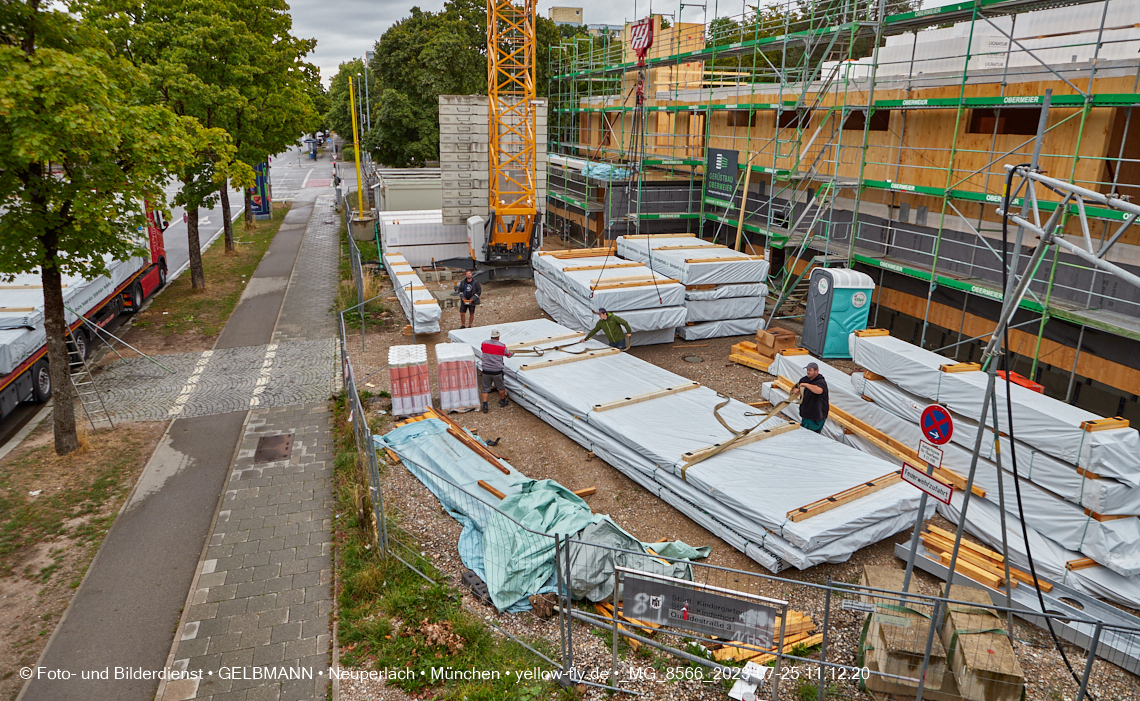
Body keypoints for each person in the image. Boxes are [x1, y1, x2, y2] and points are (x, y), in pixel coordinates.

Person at [479, 329, 512, 413]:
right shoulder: (502, 346)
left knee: (485, 388)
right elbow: (508, 355)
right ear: (498, 337)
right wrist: (512, 353)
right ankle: (503, 401)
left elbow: (483, 350)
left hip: (486, 370)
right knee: (501, 387)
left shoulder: (484, 343)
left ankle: (485, 405)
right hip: (497, 371)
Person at [793, 362, 829, 434]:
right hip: (806, 413)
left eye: (810, 370)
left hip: (816, 416)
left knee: (811, 435)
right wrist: (797, 391)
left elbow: (819, 390)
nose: (808, 372)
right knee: (803, 433)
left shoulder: (821, 381)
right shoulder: (804, 379)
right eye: (807, 370)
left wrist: (806, 385)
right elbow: (796, 389)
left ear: (816, 371)